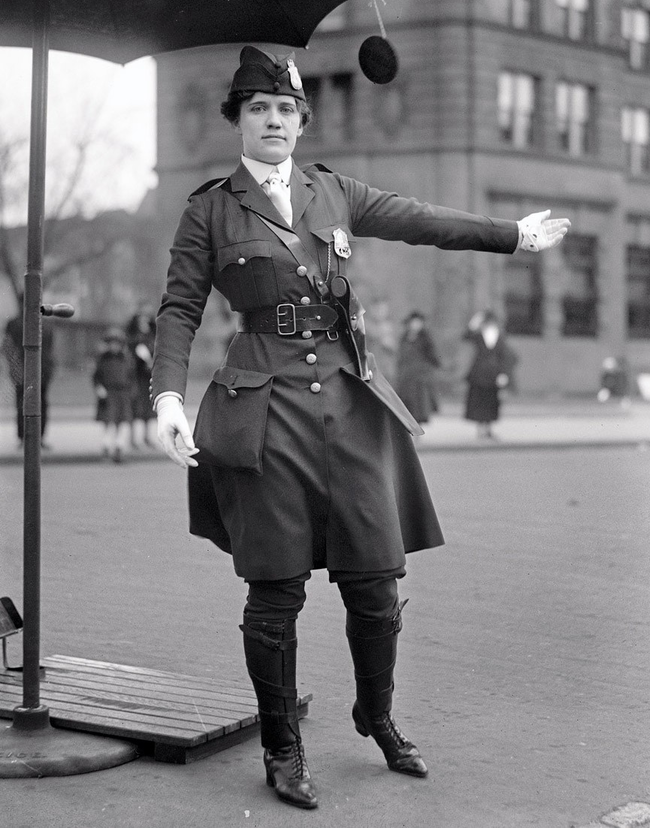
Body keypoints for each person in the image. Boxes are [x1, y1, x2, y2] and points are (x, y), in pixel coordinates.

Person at [151, 45, 570, 810]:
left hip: (348, 405)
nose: (273, 121)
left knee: (377, 582)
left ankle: (375, 714)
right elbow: (178, 308)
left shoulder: (333, 191)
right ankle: (283, 747)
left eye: (285, 110)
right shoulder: (209, 208)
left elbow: (422, 219)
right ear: (238, 123)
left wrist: (509, 233)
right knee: (275, 591)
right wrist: (167, 400)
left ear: (301, 122)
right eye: (258, 110)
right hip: (264, 409)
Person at [1, 294, 55, 449]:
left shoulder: (15, 323)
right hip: (38, 370)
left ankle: (26, 436)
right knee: (38, 403)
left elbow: (7, 347)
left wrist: (15, 369)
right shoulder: (43, 323)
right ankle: (35, 436)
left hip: (31, 370)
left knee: (25, 403)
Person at [463, 310, 518, 438]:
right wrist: (475, 321)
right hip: (479, 374)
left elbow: (504, 356)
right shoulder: (478, 335)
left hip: (494, 375)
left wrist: (503, 374)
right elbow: (466, 335)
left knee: (491, 402)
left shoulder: (500, 336)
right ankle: (480, 428)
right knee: (479, 401)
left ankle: (488, 428)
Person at [92, 327, 135, 462]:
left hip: (123, 393)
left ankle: (119, 448)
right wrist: (99, 388)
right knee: (108, 422)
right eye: (111, 343)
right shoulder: (103, 359)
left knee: (122, 423)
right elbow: (96, 377)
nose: (114, 346)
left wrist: (132, 393)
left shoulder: (126, 359)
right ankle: (106, 447)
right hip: (108, 393)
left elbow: (132, 377)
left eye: (117, 343)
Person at [395, 311, 441, 425]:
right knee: (405, 404)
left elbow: (433, 357)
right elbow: (400, 356)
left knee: (419, 406)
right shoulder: (404, 337)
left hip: (420, 377)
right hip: (406, 376)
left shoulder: (425, 339)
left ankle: (416, 428)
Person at [125, 304, 157, 448]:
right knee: (134, 406)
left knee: (148, 406)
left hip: (148, 376)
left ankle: (146, 437)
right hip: (134, 376)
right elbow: (129, 350)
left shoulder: (154, 333)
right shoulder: (131, 334)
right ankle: (132, 439)